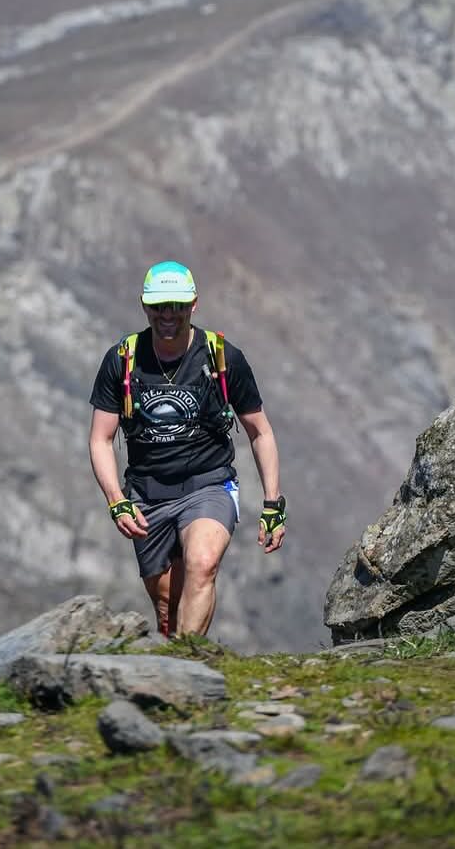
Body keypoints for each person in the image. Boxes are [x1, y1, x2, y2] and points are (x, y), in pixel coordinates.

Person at [88, 260, 286, 638]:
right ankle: (175, 665)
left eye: (177, 306)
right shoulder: (122, 360)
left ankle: (187, 665)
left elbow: (260, 432)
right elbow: (100, 438)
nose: (168, 315)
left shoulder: (222, 357)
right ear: (145, 306)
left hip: (208, 485)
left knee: (203, 564)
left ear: (193, 305)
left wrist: (273, 503)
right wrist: (116, 500)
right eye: (159, 306)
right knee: (167, 607)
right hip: (147, 494)